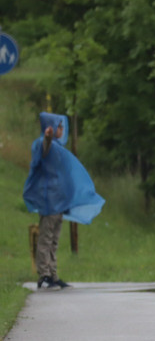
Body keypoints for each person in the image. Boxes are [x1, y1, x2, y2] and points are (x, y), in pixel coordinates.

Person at [23, 112, 105, 289]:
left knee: (54, 240)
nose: (62, 130)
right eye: (58, 127)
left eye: (62, 127)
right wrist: (47, 137)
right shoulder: (44, 145)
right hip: (49, 202)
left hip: (59, 202)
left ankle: (53, 274)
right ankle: (44, 275)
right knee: (46, 239)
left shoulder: (58, 149)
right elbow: (43, 152)